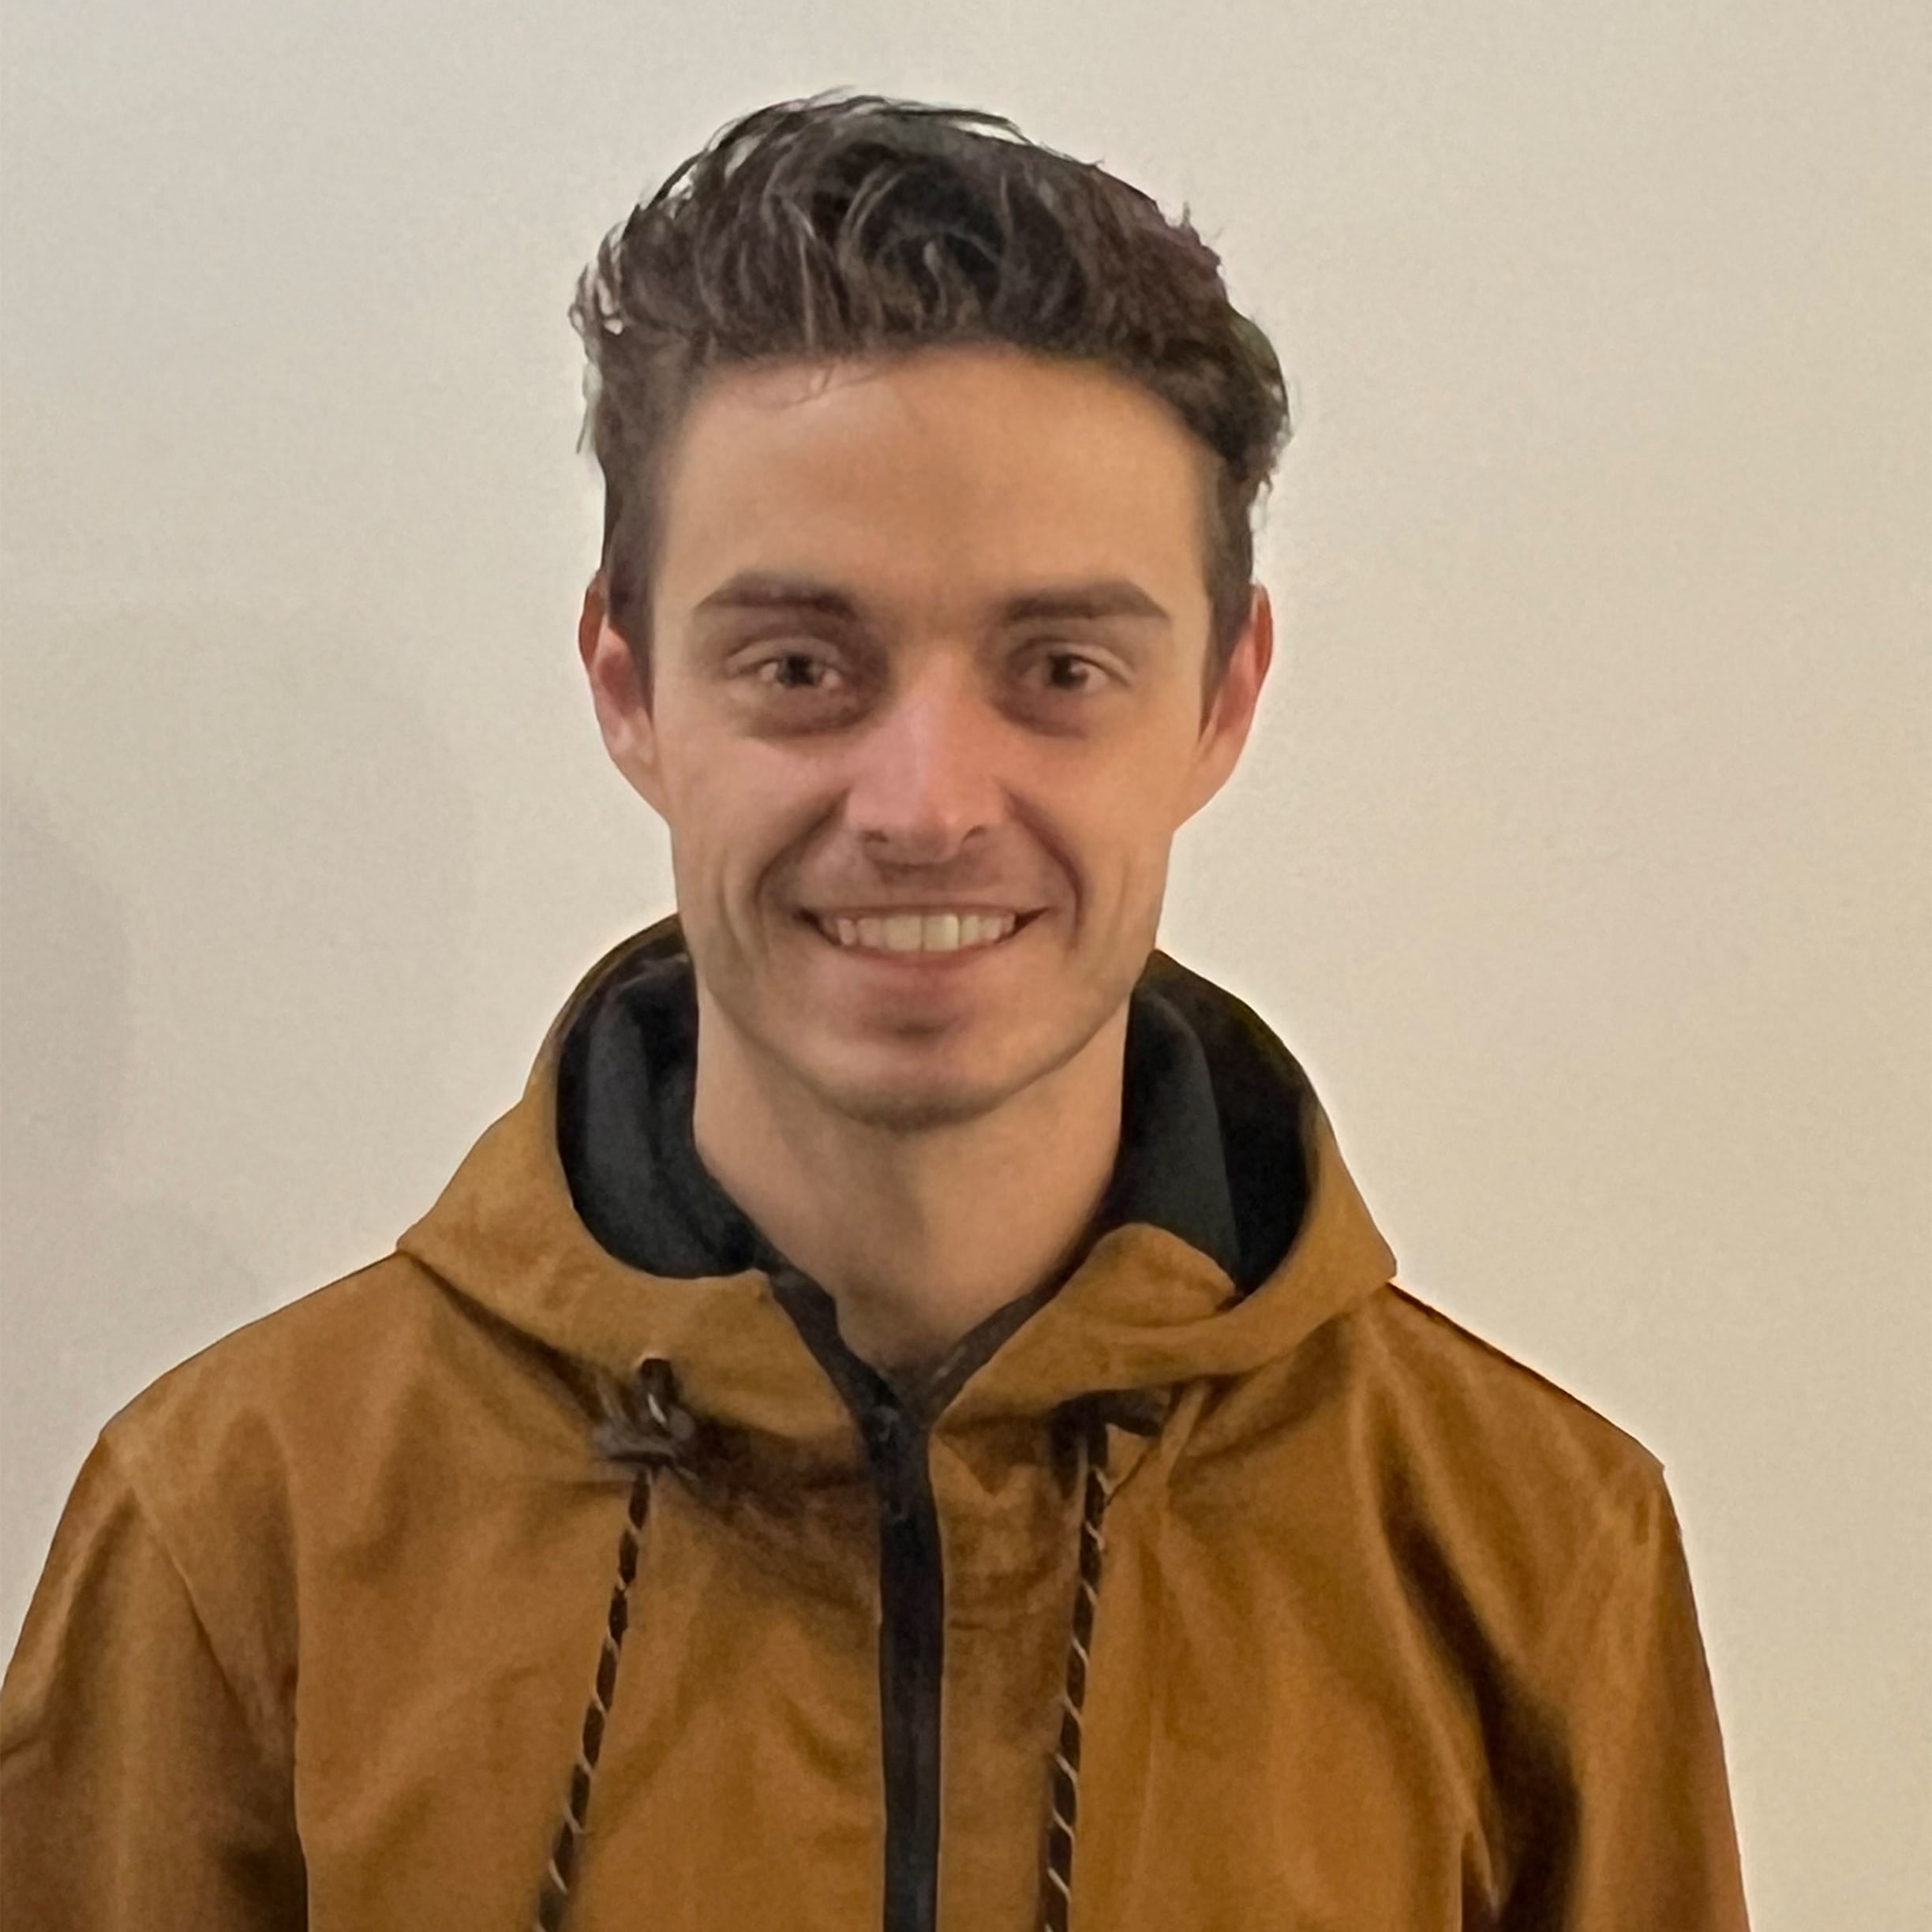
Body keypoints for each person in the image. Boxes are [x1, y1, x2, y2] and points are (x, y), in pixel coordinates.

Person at [0, 88, 1751, 1931]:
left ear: (1224, 697)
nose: (924, 802)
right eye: (801, 666)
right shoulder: (243, 1532)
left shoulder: (1527, 1555)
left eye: (1058, 667)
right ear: (630, 684)